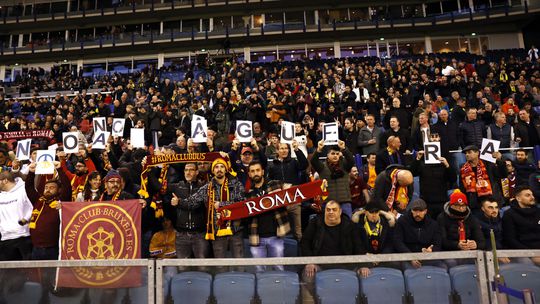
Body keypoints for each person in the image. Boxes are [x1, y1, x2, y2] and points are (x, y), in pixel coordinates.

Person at [176, 157, 246, 266]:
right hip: (217, 233)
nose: (219, 169)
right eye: (216, 167)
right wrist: (179, 201)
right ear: (213, 170)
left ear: (226, 169)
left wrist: (222, 205)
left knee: (240, 264)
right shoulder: (207, 188)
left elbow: (242, 204)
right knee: (220, 266)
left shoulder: (236, 185)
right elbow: (192, 202)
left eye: (222, 166)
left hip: (235, 231)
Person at [301, 201, 363, 297]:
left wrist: (363, 265)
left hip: (347, 267)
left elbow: (358, 245)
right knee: (308, 275)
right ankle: (320, 298)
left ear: (340, 211)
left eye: (334, 210)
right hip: (320, 266)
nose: (331, 212)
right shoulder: (315, 223)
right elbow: (305, 242)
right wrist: (310, 262)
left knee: (365, 274)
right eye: (328, 210)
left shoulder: (350, 225)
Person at [246, 163, 290, 272]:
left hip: (276, 235)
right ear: (249, 174)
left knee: (279, 268)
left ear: (262, 171)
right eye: (252, 171)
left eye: (257, 170)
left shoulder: (276, 184)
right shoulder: (247, 194)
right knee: (259, 270)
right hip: (256, 237)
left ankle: (279, 288)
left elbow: (295, 192)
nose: (255, 173)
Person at [24, 162, 71, 260]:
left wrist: (60, 169)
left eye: (52, 188)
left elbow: (67, 188)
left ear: (58, 190)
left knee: (53, 274)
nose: (48, 190)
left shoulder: (61, 202)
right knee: (37, 275)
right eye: (46, 188)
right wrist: (31, 172)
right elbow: (29, 188)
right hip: (36, 248)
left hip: (54, 248)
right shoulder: (38, 201)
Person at [267, 140, 308, 240]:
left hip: (294, 200)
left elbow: (304, 165)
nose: (284, 150)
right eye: (281, 148)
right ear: (277, 150)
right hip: (279, 201)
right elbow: (269, 181)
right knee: (281, 231)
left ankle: (300, 253)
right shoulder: (272, 165)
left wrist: (297, 150)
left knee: (298, 231)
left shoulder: (294, 162)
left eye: (286, 148)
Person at [169, 163, 208, 264]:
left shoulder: (204, 187)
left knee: (202, 267)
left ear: (197, 172)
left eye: (191, 170)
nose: (188, 172)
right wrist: (148, 170)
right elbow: (158, 187)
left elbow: (196, 204)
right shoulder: (177, 187)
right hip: (181, 235)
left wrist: (179, 202)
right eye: (186, 170)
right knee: (182, 268)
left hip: (200, 234)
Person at [393, 199, 444, 269]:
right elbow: (398, 242)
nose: (417, 214)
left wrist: (431, 250)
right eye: (415, 211)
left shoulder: (433, 224)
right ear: (411, 210)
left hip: (427, 257)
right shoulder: (402, 221)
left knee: (442, 267)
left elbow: (437, 243)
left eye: (421, 211)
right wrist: (410, 257)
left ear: (425, 211)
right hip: (407, 257)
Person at [310, 140, 355, 218]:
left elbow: (351, 160)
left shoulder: (344, 165)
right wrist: (319, 150)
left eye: (337, 154)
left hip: (344, 201)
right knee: (329, 225)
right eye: (333, 153)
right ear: (327, 155)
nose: (335, 156)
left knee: (347, 226)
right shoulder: (322, 167)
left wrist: (344, 149)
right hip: (328, 202)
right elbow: (313, 161)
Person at [460, 145, 507, 215]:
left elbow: (503, 175)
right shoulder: (463, 168)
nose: (467, 155)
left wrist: (500, 160)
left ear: (477, 153)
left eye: (469, 152)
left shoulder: (488, 164)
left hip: (492, 200)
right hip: (474, 204)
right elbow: (462, 187)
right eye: (466, 153)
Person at [410, 148, 456, 219]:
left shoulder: (444, 162)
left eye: (436, 136)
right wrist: (418, 158)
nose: (434, 138)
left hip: (441, 201)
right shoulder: (422, 162)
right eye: (432, 136)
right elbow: (411, 173)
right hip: (426, 202)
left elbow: (453, 179)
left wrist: (447, 165)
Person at [353, 202, 395, 277]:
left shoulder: (385, 223)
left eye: (376, 212)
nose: (374, 215)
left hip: (382, 258)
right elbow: (357, 244)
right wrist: (366, 256)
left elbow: (390, 243)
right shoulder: (359, 224)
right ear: (365, 212)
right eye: (371, 212)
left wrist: (382, 256)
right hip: (365, 258)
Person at [437, 190, 486, 254]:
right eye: (457, 205)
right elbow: (441, 241)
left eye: (463, 206)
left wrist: (475, 244)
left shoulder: (471, 218)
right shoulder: (442, 218)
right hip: (449, 253)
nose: (461, 209)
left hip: (469, 252)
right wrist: (457, 245)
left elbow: (482, 241)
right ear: (451, 205)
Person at [0, 170, 33, 261]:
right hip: (5, 238)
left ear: (5, 180)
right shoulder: (1, 196)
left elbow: (34, 208)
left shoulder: (24, 190)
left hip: (23, 236)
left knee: (27, 271)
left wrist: (25, 219)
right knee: (7, 272)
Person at [502, 186, 540, 251]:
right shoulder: (509, 214)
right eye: (528, 195)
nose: (532, 197)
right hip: (522, 252)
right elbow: (510, 239)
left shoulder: (538, 211)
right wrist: (530, 254)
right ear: (518, 198)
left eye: (532, 195)